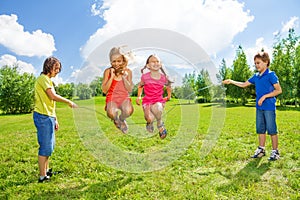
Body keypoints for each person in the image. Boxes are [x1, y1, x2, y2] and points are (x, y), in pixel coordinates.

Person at [222, 51, 282, 161]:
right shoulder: (256, 76)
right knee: (260, 129)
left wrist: (264, 97)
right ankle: (261, 149)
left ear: (266, 62)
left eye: (258, 63)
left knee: (272, 129)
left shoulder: (271, 75)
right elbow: (244, 84)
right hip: (259, 108)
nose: (256, 65)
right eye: (255, 63)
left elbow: (278, 90)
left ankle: (275, 152)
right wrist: (231, 81)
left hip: (269, 107)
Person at [33, 56, 78, 183]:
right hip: (42, 116)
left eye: (59, 69)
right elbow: (52, 96)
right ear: (49, 66)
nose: (58, 71)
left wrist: (55, 119)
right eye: (56, 68)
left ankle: (46, 171)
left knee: (49, 146)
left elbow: (51, 103)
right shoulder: (43, 79)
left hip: (49, 116)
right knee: (45, 147)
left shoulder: (48, 80)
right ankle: (42, 176)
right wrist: (69, 102)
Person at [136, 55, 172, 139]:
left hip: (158, 100)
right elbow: (140, 86)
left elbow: (168, 86)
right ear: (148, 65)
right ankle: (149, 123)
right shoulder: (145, 77)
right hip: (147, 101)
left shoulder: (163, 77)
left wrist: (169, 96)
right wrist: (139, 96)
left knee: (158, 108)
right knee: (149, 118)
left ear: (160, 64)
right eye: (153, 61)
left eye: (157, 61)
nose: (156, 63)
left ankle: (160, 124)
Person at [102, 47, 134, 133]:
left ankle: (122, 119)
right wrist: (112, 76)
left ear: (123, 61)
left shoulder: (128, 72)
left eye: (119, 61)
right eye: (113, 61)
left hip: (124, 98)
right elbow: (104, 90)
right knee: (112, 113)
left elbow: (130, 89)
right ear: (110, 61)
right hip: (112, 98)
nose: (116, 64)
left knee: (128, 111)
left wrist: (124, 78)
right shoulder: (108, 71)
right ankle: (116, 120)